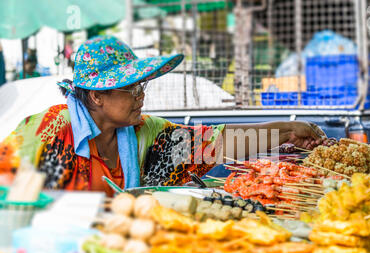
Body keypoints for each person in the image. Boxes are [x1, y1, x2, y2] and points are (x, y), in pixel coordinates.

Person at [0, 36, 325, 196]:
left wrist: (286, 131)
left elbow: (211, 143)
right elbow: (7, 193)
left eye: (142, 85)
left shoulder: (142, 131)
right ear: (96, 96)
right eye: (132, 88)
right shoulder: (47, 131)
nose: (142, 95)